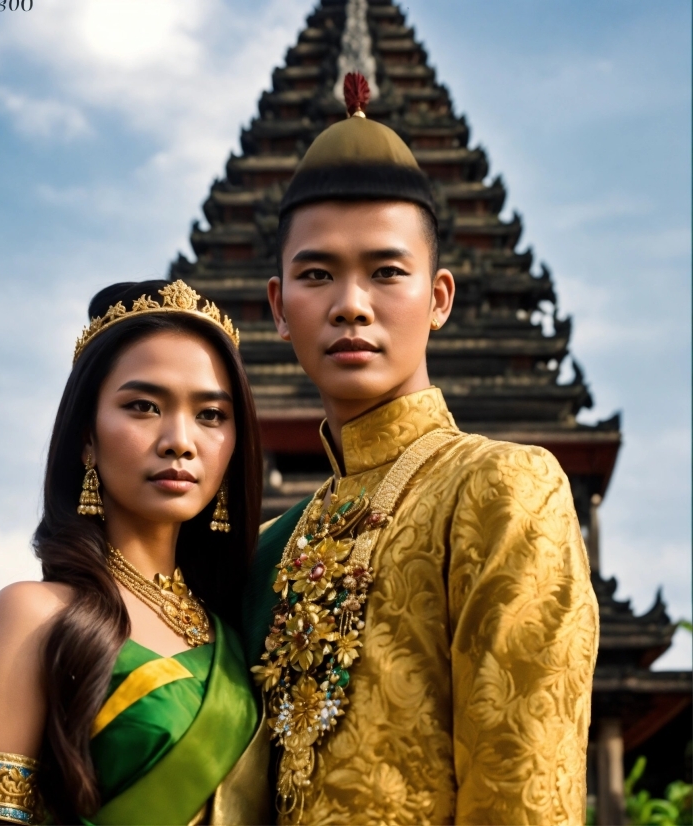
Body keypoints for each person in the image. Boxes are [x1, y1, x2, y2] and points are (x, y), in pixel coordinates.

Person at [244, 74, 598, 825]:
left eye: (386, 271)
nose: (350, 303)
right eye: (316, 274)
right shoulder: (277, 546)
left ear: (439, 298)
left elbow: (523, 793)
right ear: (279, 307)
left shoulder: (503, 488)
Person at [0, 280, 269, 825]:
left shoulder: (240, 633)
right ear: (87, 437)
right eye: (143, 406)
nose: (179, 440)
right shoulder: (32, 618)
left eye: (210, 414)